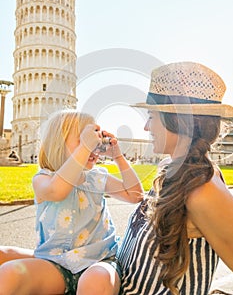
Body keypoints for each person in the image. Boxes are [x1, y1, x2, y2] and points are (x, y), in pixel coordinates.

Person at [117, 61, 233, 294]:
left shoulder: (202, 189)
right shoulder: (169, 168)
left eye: (152, 116)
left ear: (178, 120)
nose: (146, 127)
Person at [0, 110, 143, 295]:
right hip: (56, 263)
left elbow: (135, 195)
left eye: (96, 142)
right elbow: (57, 191)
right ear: (59, 144)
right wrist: (85, 147)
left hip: (99, 261)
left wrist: (118, 157)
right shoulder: (44, 179)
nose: (93, 147)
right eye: (85, 140)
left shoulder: (96, 178)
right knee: (9, 273)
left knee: (96, 281)